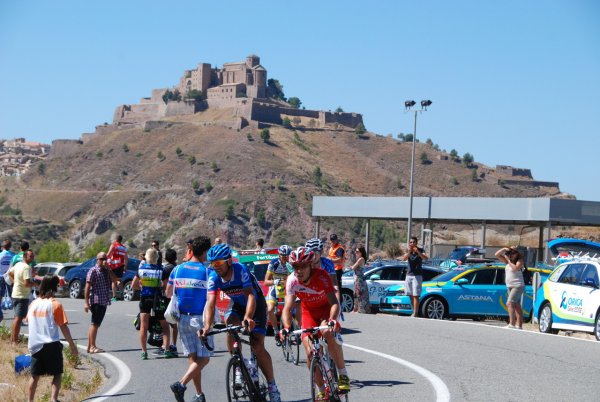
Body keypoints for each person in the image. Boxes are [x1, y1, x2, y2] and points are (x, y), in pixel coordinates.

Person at [202, 243, 281, 402]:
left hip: (256, 306)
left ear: (228, 261)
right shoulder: (213, 276)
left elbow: (251, 296)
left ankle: (272, 387)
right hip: (237, 305)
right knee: (229, 324)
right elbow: (210, 303)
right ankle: (238, 365)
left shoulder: (240, 270)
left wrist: (248, 318)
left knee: (257, 346)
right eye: (212, 264)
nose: (215, 267)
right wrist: (206, 326)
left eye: (218, 263)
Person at [281, 246, 350, 397]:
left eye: (302, 266)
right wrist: (286, 327)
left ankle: (343, 374)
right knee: (310, 352)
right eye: (295, 267)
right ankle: (320, 391)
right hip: (309, 312)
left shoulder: (322, 276)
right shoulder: (292, 280)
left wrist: (332, 320)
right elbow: (287, 308)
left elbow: (334, 303)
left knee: (327, 332)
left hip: (326, 310)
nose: (298, 270)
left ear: (310, 265)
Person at [167, 236, 213, 402]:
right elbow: (212, 297)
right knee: (205, 358)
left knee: (193, 360)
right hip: (200, 320)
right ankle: (181, 384)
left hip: (182, 320)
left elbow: (168, 293)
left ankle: (199, 394)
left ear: (191, 250)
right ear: (205, 252)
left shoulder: (177, 269)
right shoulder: (207, 271)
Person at [26, 274, 78, 402]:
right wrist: (72, 345)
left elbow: (27, 320)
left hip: (34, 345)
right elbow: (63, 326)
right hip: (51, 344)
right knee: (57, 373)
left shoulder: (33, 304)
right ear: (54, 287)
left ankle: (30, 400)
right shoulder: (55, 305)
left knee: (34, 376)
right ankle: (53, 399)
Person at [132, 248, 174, 359]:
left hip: (145, 298)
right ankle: (167, 349)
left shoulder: (141, 269)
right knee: (164, 325)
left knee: (144, 326)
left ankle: (144, 352)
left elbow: (134, 285)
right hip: (157, 299)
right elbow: (166, 287)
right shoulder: (161, 270)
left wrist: (142, 287)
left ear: (146, 257)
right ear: (157, 258)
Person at [84, 252, 116, 354]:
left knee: (95, 324)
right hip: (96, 300)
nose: (104, 261)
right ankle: (92, 346)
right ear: (97, 259)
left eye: (105, 258)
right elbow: (87, 286)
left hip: (104, 300)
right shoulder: (93, 270)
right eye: (101, 259)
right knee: (95, 324)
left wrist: (109, 268)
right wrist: (86, 302)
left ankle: (89, 347)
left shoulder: (106, 270)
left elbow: (114, 280)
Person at [264, 245, 293, 344]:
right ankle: (276, 331)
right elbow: (266, 281)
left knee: (290, 307)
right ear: (279, 255)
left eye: (287, 256)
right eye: (283, 256)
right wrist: (275, 281)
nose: (285, 258)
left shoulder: (292, 263)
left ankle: (291, 329)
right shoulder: (274, 263)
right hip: (275, 287)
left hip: (288, 288)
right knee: (270, 309)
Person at [495, 246, 525, 329]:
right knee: (516, 305)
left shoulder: (520, 261)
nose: (513, 254)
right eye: (511, 253)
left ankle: (512, 324)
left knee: (509, 303)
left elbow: (515, 268)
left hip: (517, 285)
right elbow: (496, 254)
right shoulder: (508, 262)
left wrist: (508, 260)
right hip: (510, 286)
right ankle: (519, 325)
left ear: (517, 254)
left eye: (514, 253)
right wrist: (504, 249)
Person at [10, 249, 35, 344]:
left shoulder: (18, 265)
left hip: (16, 293)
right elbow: (26, 283)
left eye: (33, 256)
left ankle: (13, 338)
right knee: (18, 318)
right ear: (25, 257)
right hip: (22, 295)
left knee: (17, 317)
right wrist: (35, 284)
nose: (32, 258)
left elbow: (9, 273)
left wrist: (15, 282)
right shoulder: (26, 267)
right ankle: (14, 340)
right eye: (30, 256)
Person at [402, 236, 428, 317]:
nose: (412, 244)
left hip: (417, 276)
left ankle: (415, 313)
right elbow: (404, 258)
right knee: (410, 294)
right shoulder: (408, 250)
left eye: (413, 242)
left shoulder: (420, 250)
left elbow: (426, 258)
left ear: (416, 243)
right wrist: (409, 252)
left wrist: (418, 252)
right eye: (410, 242)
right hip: (409, 275)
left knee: (416, 295)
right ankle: (414, 310)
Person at [163, 248, 179, 354]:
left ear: (166, 258)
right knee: (174, 322)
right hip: (176, 297)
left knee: (165, 322)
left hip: (167, 297)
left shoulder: (166, 269)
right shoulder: (177, 268)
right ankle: (174, 344)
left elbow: (164, 283)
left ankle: (166, 344)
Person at [107, 234, 128, 302]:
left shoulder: (114, 245)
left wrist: (104, 260)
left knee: (113, 281)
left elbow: (109, 254)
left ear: (116, 239)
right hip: (121, 266)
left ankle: (114, 296)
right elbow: (126, 258)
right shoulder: (123, 248)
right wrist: (125, 266)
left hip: (114, 265)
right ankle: (121, 293)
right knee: (119, 279)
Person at [351, 246, 371, 314]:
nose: (356, 253)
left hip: (360, 280)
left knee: (360, 294)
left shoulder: (361, 259)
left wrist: (352, 266)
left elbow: (353, 267)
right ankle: (356, 309)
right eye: (355, 252)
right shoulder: (359, 259)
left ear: (361, 252)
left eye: (357, 252)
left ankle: (360, 309)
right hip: (357, 279)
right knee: (356, 294)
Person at [0, 240, 15, 324]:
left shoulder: (0, 255)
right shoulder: (13, 255)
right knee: (13, 295)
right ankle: (16, 315)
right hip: (10, 277)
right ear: (10, 246)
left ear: (3, 246)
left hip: (1, 276)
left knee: (0, 296)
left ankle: (0, 313)